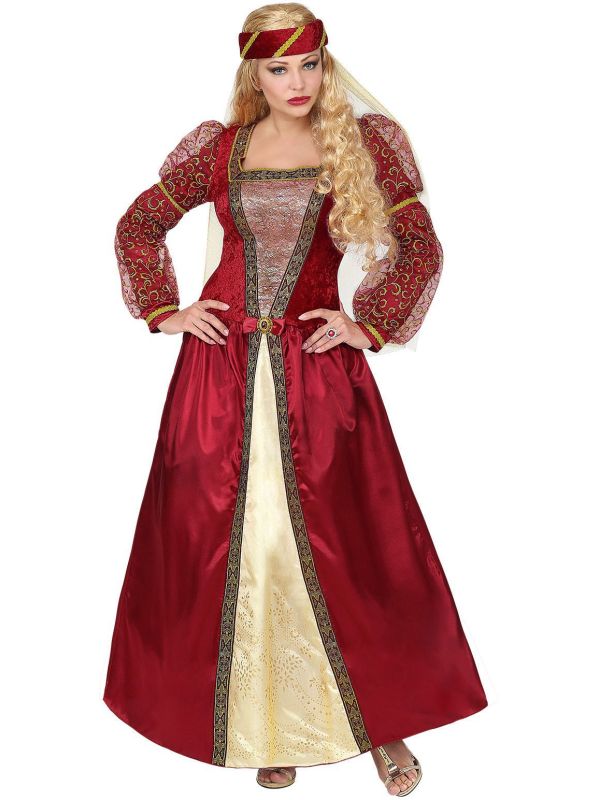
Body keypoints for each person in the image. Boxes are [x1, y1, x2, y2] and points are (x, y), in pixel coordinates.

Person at [103, 4, 488, 796]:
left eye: (309, 63)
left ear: (325, 63)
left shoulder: (360, 144)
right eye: (279, 68)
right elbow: (138, 226)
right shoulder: (221, 150)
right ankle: (262, 726)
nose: (297, 81)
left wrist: (366, 324)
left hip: (318, 377)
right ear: (254, 71)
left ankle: (384, 726)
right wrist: (166, 310)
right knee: (239, 551)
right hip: (219, 376)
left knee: (356, 551)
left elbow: (421, 246)